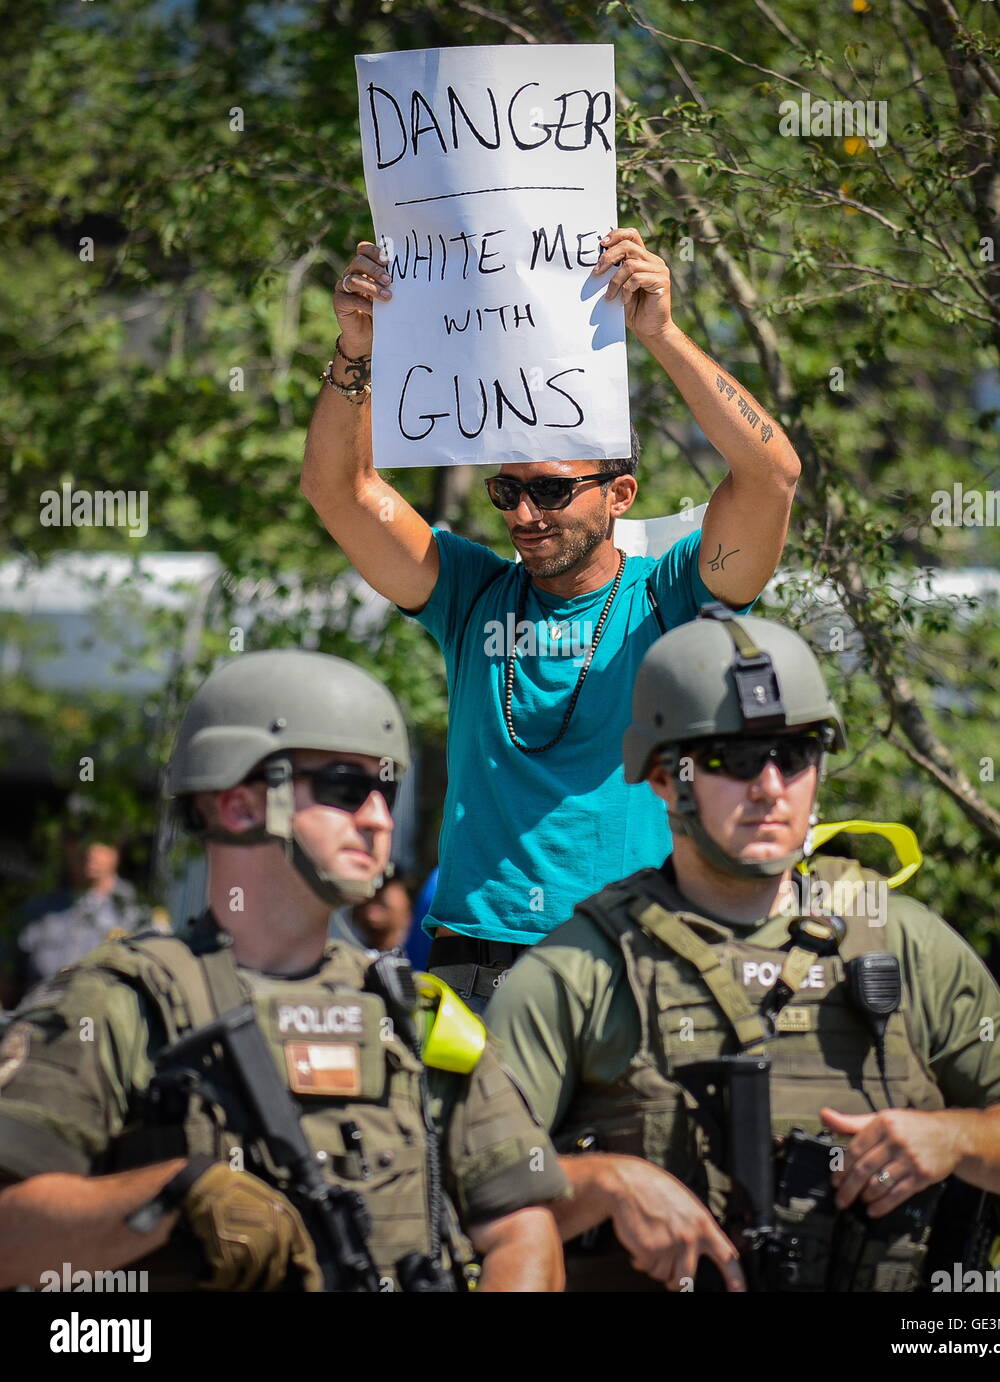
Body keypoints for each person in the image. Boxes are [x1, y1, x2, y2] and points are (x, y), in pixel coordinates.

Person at [485, 606, 1000, 1292]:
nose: (769, 787)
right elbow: (465, 1190)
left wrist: (957, 1140)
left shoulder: (902, 939)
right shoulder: (584, 966)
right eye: (730, 759)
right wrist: (602, 1184)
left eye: (793, 756)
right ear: (661, 776)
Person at [302, 228, 800, 1010]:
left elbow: (772, 476)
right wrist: (356, 351)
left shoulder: (671, 596)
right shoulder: (469, 594)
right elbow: (340, 491)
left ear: (621, 494)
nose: (526, 515)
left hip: (633, 957)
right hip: (477, 962)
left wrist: (661, 333)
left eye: (554, 491)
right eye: (508, 493)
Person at [0, 650, 566, 1293]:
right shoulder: (118, 1003)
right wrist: (171, 1197)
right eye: (346, 790)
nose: (379, 818)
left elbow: (523, 1227)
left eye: (386, 790)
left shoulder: (420, 1016)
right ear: (240, 806)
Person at [0, 836, 150, 1009]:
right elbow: (5, 989)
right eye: (80, 837)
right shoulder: (33, 911)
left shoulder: (140, 917)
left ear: (118, 847)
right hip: (39, 1026)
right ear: (65, 843)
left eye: (102, 838)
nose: (90, 850)